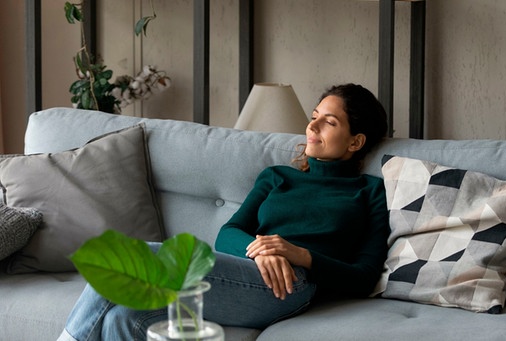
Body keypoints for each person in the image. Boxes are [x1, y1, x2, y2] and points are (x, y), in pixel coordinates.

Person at [57, 83, 391, 341]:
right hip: (245, 268)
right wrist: (260, 252)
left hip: (290, 285)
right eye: (314, 115)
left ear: (355, 142)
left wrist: (298, 255)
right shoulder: (277, 176)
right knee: (124, 318)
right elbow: (228, 232)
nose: (312, 126)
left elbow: (364, 276)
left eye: (329, 122)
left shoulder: (368, 192)